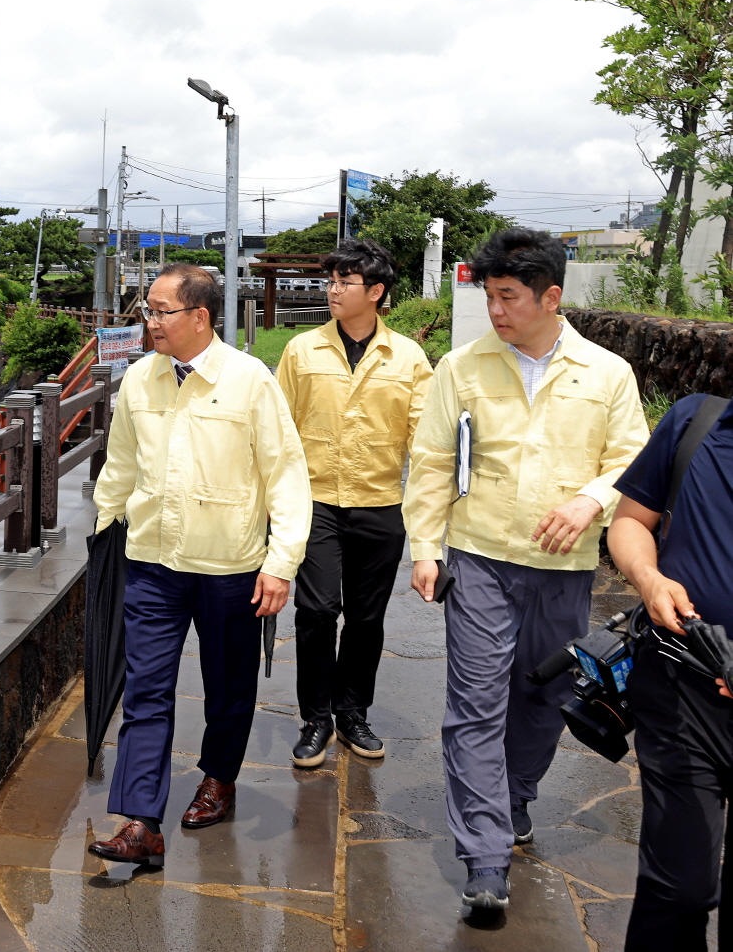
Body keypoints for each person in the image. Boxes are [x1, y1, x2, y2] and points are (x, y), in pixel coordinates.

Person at [403, 228, 647, 909]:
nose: (497, 311)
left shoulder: (607, 374)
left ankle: (512, 798)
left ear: (551, 297)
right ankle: (484, 855)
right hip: (479, 559)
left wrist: (592, 498)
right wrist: (426, 546)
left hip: (564, 569)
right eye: (490, 296)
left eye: (509, 297)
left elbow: (633, 460)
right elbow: (429, 463)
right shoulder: (461, 367)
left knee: (543, 698)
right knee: (475, 703)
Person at [87, 263, 311, 867]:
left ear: (200, 317)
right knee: (147, 691)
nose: (150, 321)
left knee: (229, 687)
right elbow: (121, 465)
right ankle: (140, 819)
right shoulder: (138, 380)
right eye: (148, 311)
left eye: (162, 311)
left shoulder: (249, 382)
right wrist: (103, 535)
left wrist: (281, 562)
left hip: (231, 565)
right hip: (153, 562)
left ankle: (219, 777)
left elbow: (286, 475)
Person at [276, 239, 433, 768]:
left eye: (345, 281)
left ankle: (352, 713)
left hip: (380, 504)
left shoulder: (408, 356)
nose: (333, 290)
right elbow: (278, 432)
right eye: (331, 280)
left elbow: (425, 440)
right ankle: (315, 717)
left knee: (367, 619)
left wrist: (435, 516)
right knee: (317, 610)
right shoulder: (302, 351)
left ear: (376, 292)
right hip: (316, 502)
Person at [608, 393, 733, 950]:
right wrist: (649, 578)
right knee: (677, 888)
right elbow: (631, 522)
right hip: (684, 686)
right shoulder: (694, 422)